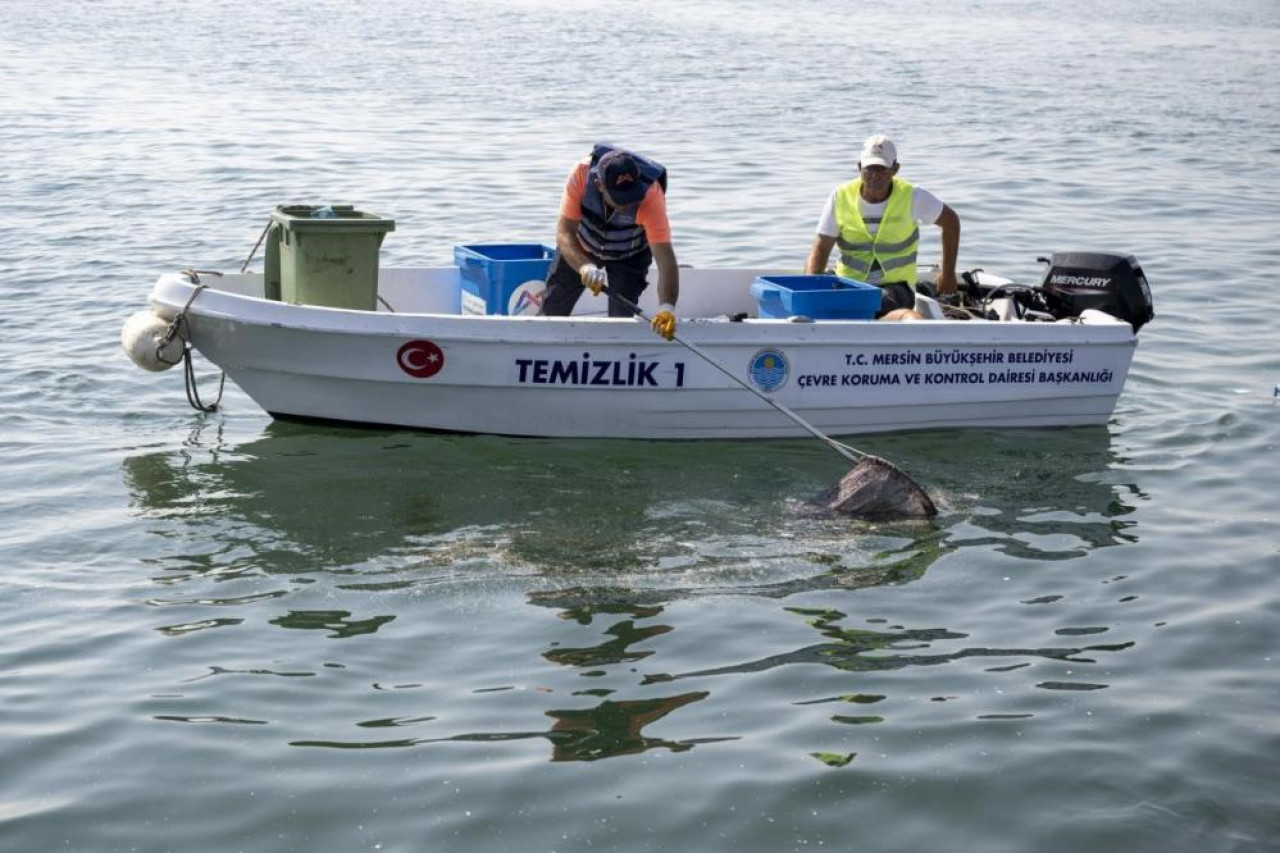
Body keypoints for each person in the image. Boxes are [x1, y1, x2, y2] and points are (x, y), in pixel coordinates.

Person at [805, 134, 960, 318]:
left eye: (882, 169)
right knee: (823, 294)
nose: (875, 176)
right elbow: (821, 249)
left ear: (895, 169)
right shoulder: (840, 196)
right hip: (850, 283)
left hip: (896, 287)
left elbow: (951, 222)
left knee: (870, 305)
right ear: (859, 167)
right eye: (869, 169)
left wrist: (948, 274)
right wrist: (809, 293)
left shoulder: (914, 196)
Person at [539, 143, 679, 340]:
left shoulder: (651, 195)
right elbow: (564, 233)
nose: (628, 204)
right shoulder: (580, 174)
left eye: (632, 196)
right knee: (552, 310)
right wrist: (585, 267)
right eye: (620, 198)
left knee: (621, 324)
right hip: (582, 244)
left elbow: (666, 261)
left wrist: (667, 308)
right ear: (599, 185)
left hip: (630, 255)